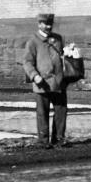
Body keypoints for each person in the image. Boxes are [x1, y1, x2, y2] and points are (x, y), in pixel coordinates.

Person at [23, 12, 69, 147]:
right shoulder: (33, 41)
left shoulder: (58, 39)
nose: (49, 26)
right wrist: (34, 75)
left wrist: (70, 53)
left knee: (61, 111)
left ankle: (59, 139)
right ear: (39, 24)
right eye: (46, 24)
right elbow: (27, 61)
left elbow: (63, 56)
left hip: (59, 82)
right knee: (42, 112)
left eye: (50, 24)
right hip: (42, 83)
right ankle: (43, 141)